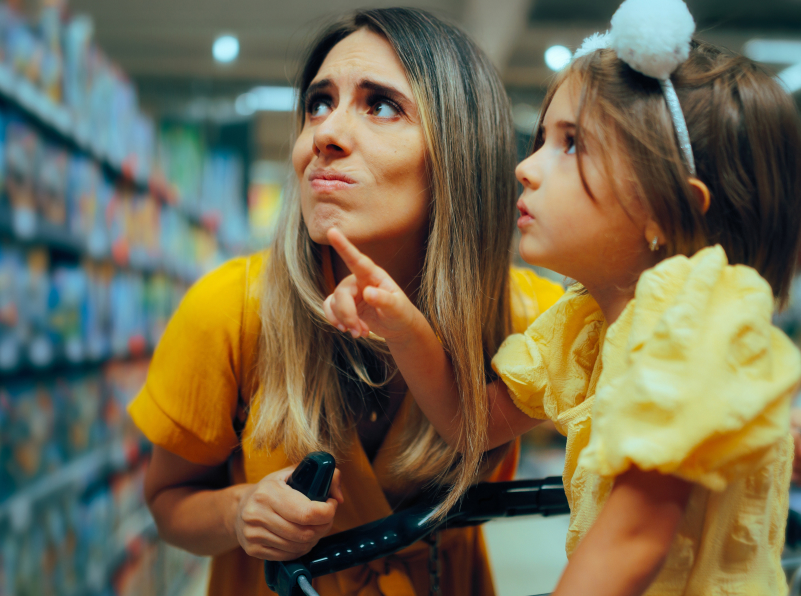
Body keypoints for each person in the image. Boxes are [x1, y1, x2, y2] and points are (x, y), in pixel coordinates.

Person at [321, 0, 801, 593]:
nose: (526, 168)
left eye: (572, 144)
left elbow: (634, 538)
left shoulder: (692, 316)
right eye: (542, 139)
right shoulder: (589, 325)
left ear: (668, 206)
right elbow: (468, 423)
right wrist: (404, 326)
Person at [129, 8, 567, 596]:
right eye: (318, 103)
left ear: (458, 154)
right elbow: (166, 503)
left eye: (380, 104)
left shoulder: (530, 320)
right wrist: (239, 512)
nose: (323, 135)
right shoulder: (231, 308)